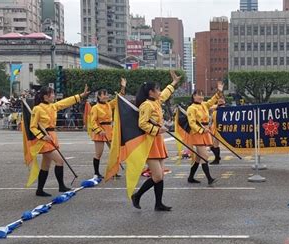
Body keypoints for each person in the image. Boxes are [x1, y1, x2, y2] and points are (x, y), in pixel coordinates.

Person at [131, 70, 181, 211]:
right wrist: (157, 130)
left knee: (160, 175)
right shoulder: (146, 105)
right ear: (151, 92)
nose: (159, 92)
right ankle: (137, 195)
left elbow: (166, 93)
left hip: (158, 141)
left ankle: (158, 203)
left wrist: (174, 83)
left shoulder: (156, 102)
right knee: (157, 176)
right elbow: (142, 123)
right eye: (157, 89)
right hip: (150, 142)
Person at [30, 85, 90, 197]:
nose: (53, 95)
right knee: (59, 161)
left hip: (52, 136)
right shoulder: (37, 109)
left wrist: (81, 96)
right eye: (51, 94)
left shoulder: (53, 106)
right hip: (44, 139)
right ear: (45, 97)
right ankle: (61, 186)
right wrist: (42, 136)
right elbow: (32, 126)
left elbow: (66, 102)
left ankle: (39, 190)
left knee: (45, 165)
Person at [186, 81, 224, 185]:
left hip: (205, 131)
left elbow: (212, 101)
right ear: (194, 96)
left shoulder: (203, 105)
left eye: (202, 95)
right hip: (197, 133)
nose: (201, 97)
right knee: (204, 156)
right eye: (199, 95)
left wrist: (219, 91)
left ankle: (190, 177)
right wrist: (202, 130)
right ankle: (209, 179)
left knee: (199, 158)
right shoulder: (191, 108)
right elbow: (192, 123)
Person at [89, 78, 126, 179]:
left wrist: (123, 86)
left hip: (110, 130)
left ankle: (114, 171)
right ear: (99, 97)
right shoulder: (95, 108)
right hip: (100, 132)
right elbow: (92, 122)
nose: (106, 96)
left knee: (115, 151)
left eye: (107, 94)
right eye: (104, 94)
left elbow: (119, 98)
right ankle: (96, 173)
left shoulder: (109, 105)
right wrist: (99, 130)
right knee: (98, 153)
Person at [210, 97, 226, 165]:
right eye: (219, 100)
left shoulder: (225, 109)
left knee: (215, 144)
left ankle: (217, 159)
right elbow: (210, 108)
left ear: (224, 101)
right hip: (213, 128)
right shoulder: (216, 108)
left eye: (221, 100)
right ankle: (217, 157)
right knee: (211, 145)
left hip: (219, 128)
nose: (220, 101)